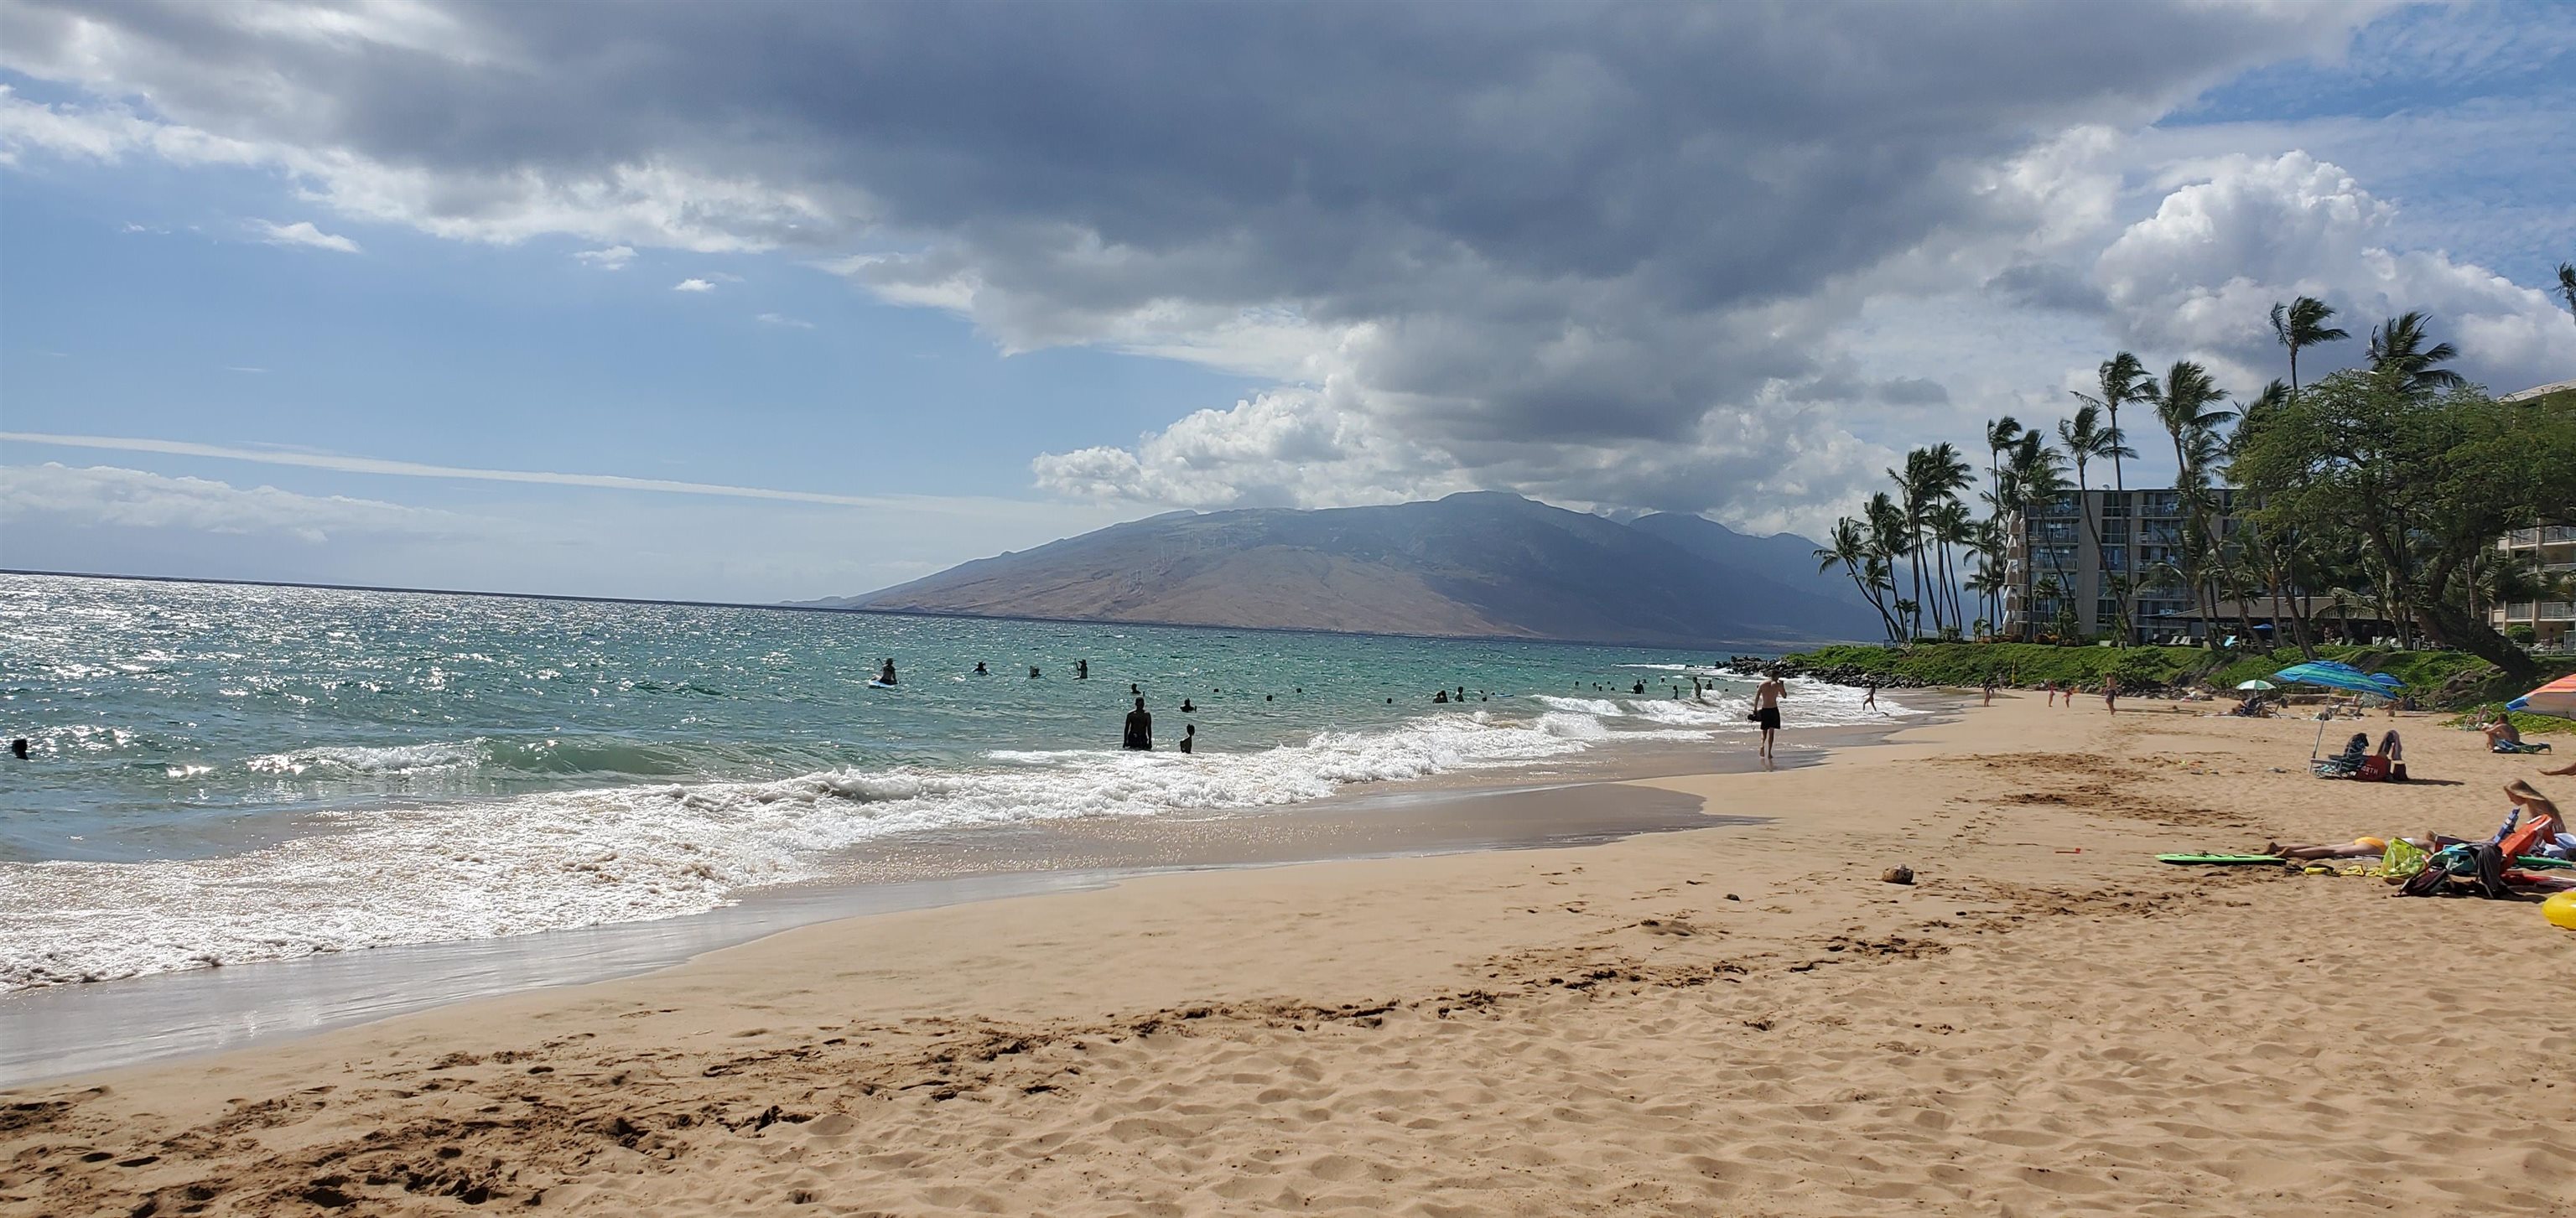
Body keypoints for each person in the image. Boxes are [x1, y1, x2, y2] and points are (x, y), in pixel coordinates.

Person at [1753, 668, 1785, 760]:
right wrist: (1783, 686)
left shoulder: (1762, 684)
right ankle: (1769, 753)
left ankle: (1762, 745)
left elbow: (1757, 697)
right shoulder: (1778, 685)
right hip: (1773, 709)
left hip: (1765, 709)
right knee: (1771, 732)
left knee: (1764, 730)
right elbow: (1784, 696)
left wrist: (1755, 709)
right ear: (1776, 675)